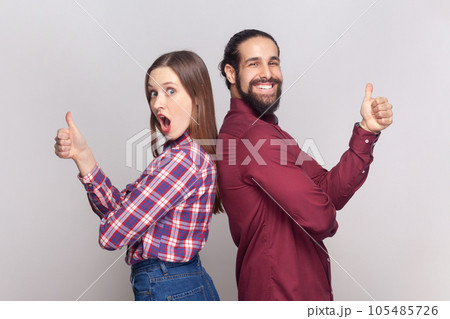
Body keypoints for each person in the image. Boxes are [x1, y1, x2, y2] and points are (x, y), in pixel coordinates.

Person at [217, 29, 393, 301]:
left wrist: (365, 131)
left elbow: (329, 190)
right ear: (231, 73)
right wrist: (323, 212)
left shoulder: (267, 132)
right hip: (282, 296)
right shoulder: (254, 136)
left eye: (273, 62)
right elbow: (321, 218)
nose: (268, 73)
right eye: (254, 63)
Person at [54, 50, 222, 301]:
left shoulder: (182, 161)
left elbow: (112, 234)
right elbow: (121, 211)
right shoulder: (179, 156)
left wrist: (120, 221)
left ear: (197, 96)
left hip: (170, 286)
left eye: (170, 91)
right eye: (153, 93)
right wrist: (83, 156)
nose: (157, 103)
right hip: (183, 283)